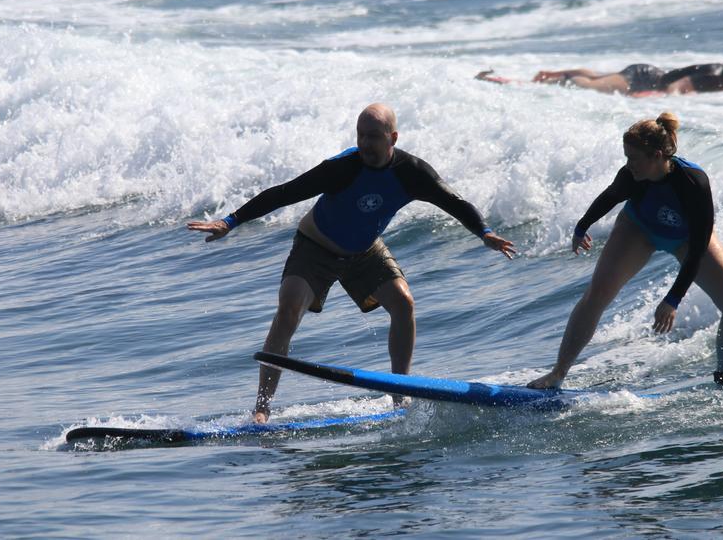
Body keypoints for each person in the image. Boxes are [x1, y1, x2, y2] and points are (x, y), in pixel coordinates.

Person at [188, 103, 516, 423]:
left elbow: (453, 202)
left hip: (364, 250)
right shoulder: (342, 168)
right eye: (360, 135)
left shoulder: (412, 172)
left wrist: (484, 233)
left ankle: (400, 394)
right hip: (315, 247)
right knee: (288, 308)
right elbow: (283, 193)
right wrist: (230, 222)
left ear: (393, 138)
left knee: (403, 302)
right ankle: (262, 408)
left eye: (373, 136)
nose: (365, 144)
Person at [527, 112, 723, 391]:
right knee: (597, 294)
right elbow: (609, 197)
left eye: (633, 158)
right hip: (638, 229)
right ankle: (558, 373)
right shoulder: (631, 175)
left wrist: (673, 299)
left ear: (656, 155)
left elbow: (699, 246)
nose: (627, 164)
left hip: (687, 240)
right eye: (626, 157)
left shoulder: (694, 183)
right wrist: (582, 227)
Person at [476, 44, 723, 96]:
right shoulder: (716, 76)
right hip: (643, 77)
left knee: (598, 79)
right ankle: (536, 84)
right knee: (589, 86)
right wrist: (669, 95)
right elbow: (682, 81)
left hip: (646, 74)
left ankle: (551, 75)